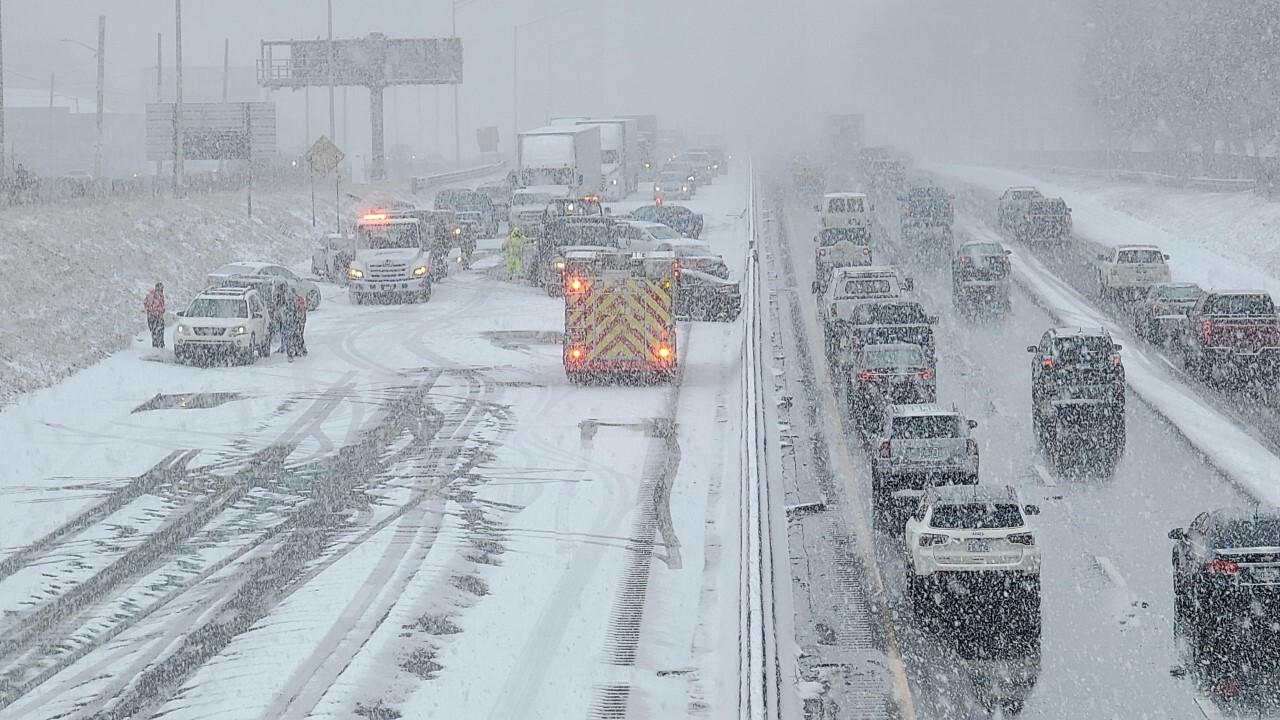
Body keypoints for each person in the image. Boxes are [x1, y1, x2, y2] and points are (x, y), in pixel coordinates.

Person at [280, 288, 303, 361]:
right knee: (291, 339)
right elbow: (284, 316)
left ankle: (295, 351)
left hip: (292, 325)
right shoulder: (288, 307)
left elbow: (296, 314)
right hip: (290, 325)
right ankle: (291, 353)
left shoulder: (292, 306)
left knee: (293, 338)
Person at [144, 282, 166, 348]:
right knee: (159, 331)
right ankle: (159, 344)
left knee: (154, 331)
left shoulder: (150, 295)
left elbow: (145, 304)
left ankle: (156, 344)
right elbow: (160, 306)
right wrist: (158, 311)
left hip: (151, 317)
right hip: (156, 317)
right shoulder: (158, 296)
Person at [292, 288, 309, 356]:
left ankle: (300, 349)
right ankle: (300, 349)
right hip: (299, 321)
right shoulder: (299, 301)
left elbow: (302, 312)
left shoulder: (298, 301)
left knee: (298, 336)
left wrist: (300, 320)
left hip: (299, 322)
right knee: (298, 336)